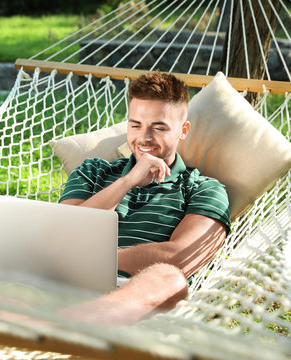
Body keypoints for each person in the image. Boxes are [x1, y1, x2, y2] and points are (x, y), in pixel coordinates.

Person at [57, 71, 231, 325]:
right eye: (135, 125)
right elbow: (63, 231)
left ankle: (73, 324)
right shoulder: (93, 171)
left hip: (137, 297)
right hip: (69, 281)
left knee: (169, 278)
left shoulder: (204, 189)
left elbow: (184, 257)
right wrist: (127, 182)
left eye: (158, 127)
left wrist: (94, 258)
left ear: (183, 130)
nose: (144, 139)